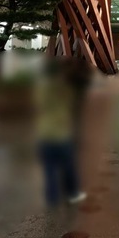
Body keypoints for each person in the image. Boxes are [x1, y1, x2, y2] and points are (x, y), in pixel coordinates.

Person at [35, 58, 87, 207]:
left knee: (49, 169)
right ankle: (72, 194)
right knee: (68, 167)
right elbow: (73, 108)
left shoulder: (41, 89)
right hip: (62, 134)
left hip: (45, 133)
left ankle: (52, 198)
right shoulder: (67, 88)